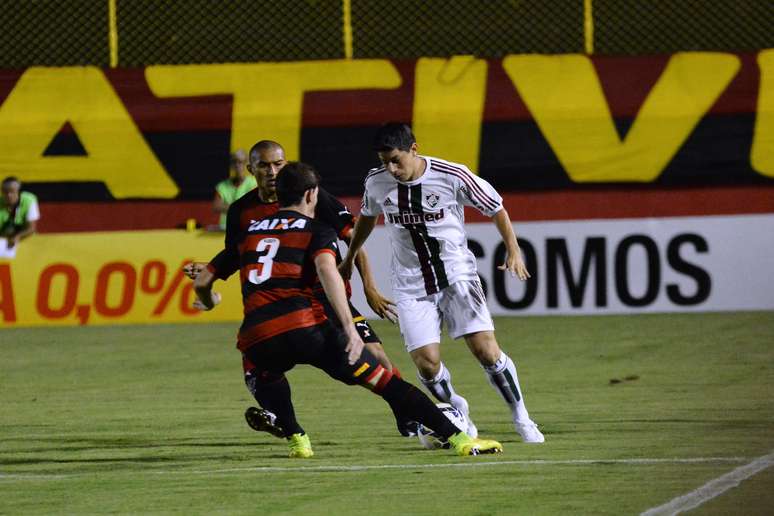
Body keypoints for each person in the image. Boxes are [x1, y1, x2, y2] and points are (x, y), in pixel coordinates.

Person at [193, 161, 503, 457]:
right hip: (307, 330)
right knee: (386, 381)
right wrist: (350, 329)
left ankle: (297, 439)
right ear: (312, 194)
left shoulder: (249, 232)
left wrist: (211, 302)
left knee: (261, 373)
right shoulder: (315, 230)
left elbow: (204, 279)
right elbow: (329, 272)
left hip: (259, 336)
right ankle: (461, 440)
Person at [185, 140, 416, 438]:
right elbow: (243, 256)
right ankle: (280, 417)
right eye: (264, 165)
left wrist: (369, 288)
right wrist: (210, 268)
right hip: (284, 304)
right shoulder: (241, 211)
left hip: (326, 298)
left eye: (278, 164)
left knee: (375, 356)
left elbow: (355, 241)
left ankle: (406, 414)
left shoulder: (312, 197)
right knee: (263, 364)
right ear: (250, 169)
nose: (272, 171)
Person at [340, 123, 545, 443]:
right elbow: (367, 217)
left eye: (396, 160)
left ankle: (522, 418)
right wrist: (350, 257)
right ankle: (456, 410)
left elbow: (496, 207)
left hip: (457, 277)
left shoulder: (452, 175)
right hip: (410, 285)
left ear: (414, 150)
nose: (390, 168)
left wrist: (514, 249)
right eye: (384, 161)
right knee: (426, 364)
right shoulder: (376, 182)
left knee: (487, 352)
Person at [212, 149, 257, 231]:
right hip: (226, 229)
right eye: (234, 162)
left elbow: (254, 205)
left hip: (247, 228)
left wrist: (229, 207)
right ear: (231, 165)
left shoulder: (254, 183)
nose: (237, 165)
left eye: (241, 162)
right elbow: (216, 206)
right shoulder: (222, 186)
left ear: (246, 165)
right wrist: (241, 207)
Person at [0, 176, 40, 259]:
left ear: (18, 191)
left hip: (25, 240)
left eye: (12, 191)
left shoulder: (29, 200)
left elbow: (31, 228)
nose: (8, 195)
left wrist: (17, 237)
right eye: (5, 192)